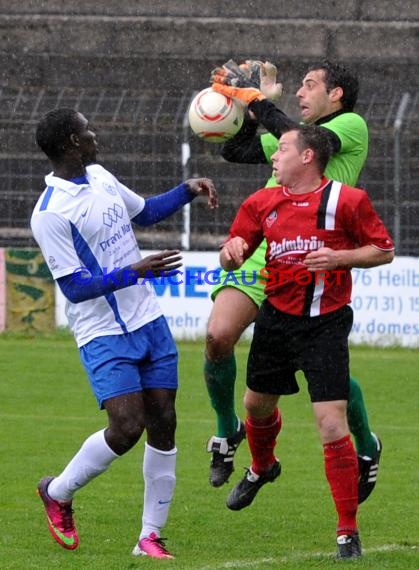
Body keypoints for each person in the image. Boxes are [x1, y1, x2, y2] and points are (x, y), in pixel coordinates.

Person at [31, 108, 218, 559]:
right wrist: (133, 272)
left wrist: (187, 190)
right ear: (71, 144)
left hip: (147, 320)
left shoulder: (99, 175)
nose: (94, 134)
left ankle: (149, 537)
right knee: (126, 426)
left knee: (164, 421)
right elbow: (74, 288)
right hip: (102, 332)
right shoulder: (50, 214)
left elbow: (148, 213)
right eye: (86, 129)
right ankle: (57, 491)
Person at [204, 60, 382, 504]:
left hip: (314, 260)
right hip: (266, 247)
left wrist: (259, 99)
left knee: (326, 376)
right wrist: (237, 110)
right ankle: (228, 432)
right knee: (218, 334)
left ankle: (367, 445)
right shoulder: (288, 139)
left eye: (309, 84)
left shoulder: (350, 126)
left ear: (336, 94)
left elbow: (307, 139)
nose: (300, 92)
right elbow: (236, 150)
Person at [219, 125, 394, 559]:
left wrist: (341, 257)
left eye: (282, 149)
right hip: (277, 320)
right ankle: (262, 466)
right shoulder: (261, 202)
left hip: (327, 323)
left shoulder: (347, 201)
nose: (274, 157)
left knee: (331, 423)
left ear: (308, 156)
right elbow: (230, 252)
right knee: (256, 406)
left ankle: (347, 531)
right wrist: (232, 251)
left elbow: (383, 249)